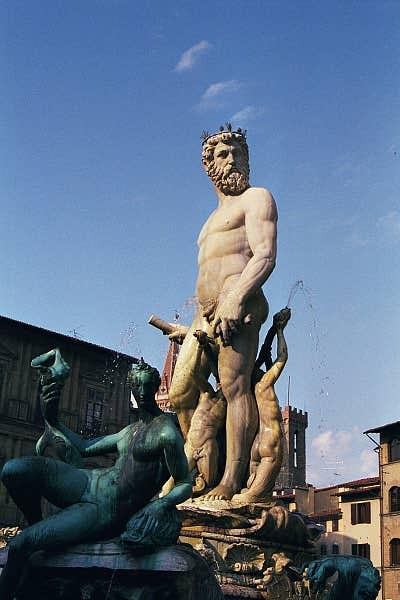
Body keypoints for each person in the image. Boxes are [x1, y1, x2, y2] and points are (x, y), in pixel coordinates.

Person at [0, 354, 192, 600]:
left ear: (157, 388)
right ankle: (35, 523)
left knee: (19, 546)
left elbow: (185, 482)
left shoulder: (167, 432)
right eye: (138, 385)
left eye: (148, 386)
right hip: (88, 482)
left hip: (105, 509)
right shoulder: (130, 430)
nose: (143, 391)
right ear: (131, 388)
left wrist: (162, 503)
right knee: (14, 470)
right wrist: (52, 416)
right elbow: (83, 447)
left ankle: (28, 552)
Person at [169, 124, 277, 500]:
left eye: (238, 153)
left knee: (234, 388)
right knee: (181, 392)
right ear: (208, 165)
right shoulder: (208, 221)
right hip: (205, 315)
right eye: (223, 154)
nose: (232, 160)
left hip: (240, 303)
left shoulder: (257, 198)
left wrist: (236, 298)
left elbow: (265, 256)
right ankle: (197, 469)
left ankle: (231, 480)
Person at [232, 307, 290, 504]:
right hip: (267, 439)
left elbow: (271, 354)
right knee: (250, 496)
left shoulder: (243, 388)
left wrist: (276, 330)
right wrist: (279, 330)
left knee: (250, 496)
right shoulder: (264, 384)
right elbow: (281, 357)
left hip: (260, 442)